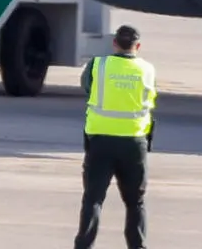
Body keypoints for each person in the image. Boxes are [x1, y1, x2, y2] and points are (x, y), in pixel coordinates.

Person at [73, 25, 158, 249]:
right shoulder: (147, 69)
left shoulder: (98, 65)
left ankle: (84, 246)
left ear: (114, 43)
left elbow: (87, 87)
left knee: (93, 199)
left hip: (101, 140)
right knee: (135, 202)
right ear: (137, 46)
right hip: (134, 142)